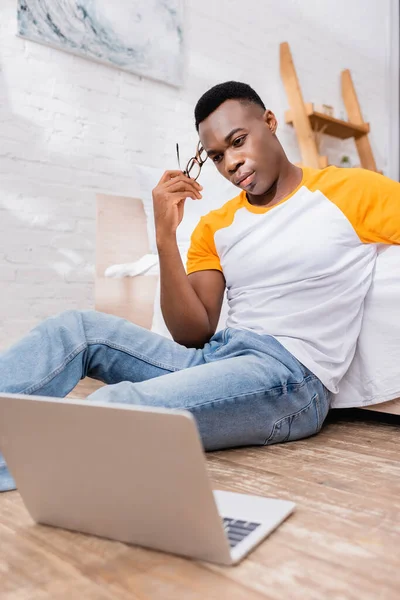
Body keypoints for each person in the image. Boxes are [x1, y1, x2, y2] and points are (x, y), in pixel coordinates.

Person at [1, 81, 399, 492]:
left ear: (269, 121)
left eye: (238, 141)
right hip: (221, 355)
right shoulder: (216, 225)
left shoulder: (350, 191)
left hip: (291, 380)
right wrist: (165, 237)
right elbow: (193, 332)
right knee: (73, 329)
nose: (231, 163)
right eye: (217, 156)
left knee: (114, 409)